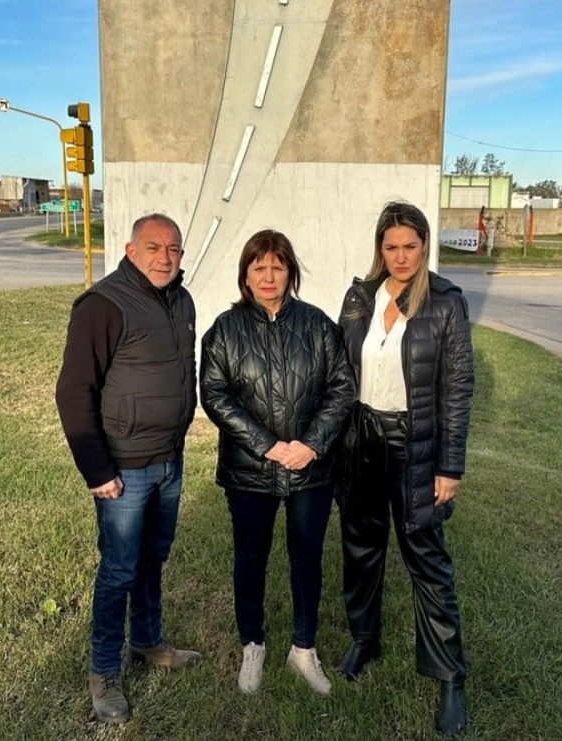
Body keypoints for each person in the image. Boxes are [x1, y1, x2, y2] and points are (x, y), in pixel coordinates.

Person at [56, 213, 201, 724]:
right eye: (154, 247)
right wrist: (98, 471)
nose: (165, 258)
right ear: (130, 249)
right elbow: (74, 392)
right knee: (118, 569)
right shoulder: (104, 304)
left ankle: (147, 641)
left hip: (168, 461)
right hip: (123, 469)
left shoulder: (182, 300)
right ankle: (104, 673)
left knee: (153, 559)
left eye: (174, 250)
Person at [335, 202, 474, 736]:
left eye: (409, 246)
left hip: (415, 445)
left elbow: (457, 389)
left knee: (427, 561)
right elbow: (339, 368)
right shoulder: (359, 297)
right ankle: (364, 640)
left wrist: (450, 466)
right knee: (361, 549)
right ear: (380, 248)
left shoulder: (444, 303)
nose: (400, 257)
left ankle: (449, 676)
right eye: (390, 247)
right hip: (361, 440)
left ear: (424, 245)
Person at [199, 229, 354, 696]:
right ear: (245, 274)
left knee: (306, 556)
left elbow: (342, 388)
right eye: (259, 267)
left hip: (311, 470)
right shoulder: (225, 331)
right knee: (250, 556)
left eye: (278, 267)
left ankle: (303, 649)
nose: (268, 277)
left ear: (291, 272)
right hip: (250, 470)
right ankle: (253, 644)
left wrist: (311, 444)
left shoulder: (318, 325)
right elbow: (215, 396)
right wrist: (266, 445)